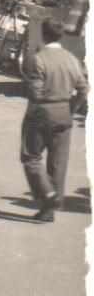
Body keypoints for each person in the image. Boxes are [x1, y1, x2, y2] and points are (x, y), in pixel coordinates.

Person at [20, 17, 89, 223]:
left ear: (43, 34)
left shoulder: (38, 59)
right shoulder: (71, 59)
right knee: (58, 161)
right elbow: (84, 88)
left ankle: (47, 194)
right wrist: (72, 107)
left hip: (41, 112)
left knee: (31, 157)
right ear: (60, 36)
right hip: (64, 112)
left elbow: (35, 92)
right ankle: (50, 207)